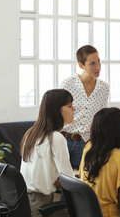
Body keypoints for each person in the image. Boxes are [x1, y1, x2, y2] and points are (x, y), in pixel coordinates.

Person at [20, 89, 75, 217]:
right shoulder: (56, 138)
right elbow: (69, 181)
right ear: (57, 110)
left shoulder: (31, 133)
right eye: (69, 105)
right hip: (41, 206)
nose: (74, 109)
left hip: (25, 202)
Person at [60, 45, 110, 169]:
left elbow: (102, 118)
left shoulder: (104, 88)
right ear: (81, 66)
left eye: (98, 61)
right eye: (92, 63)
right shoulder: (68, 84)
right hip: (64, 140)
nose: (97, 67)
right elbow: (57, 112)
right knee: (61, 180)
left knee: (80, 182)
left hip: (86, 143)